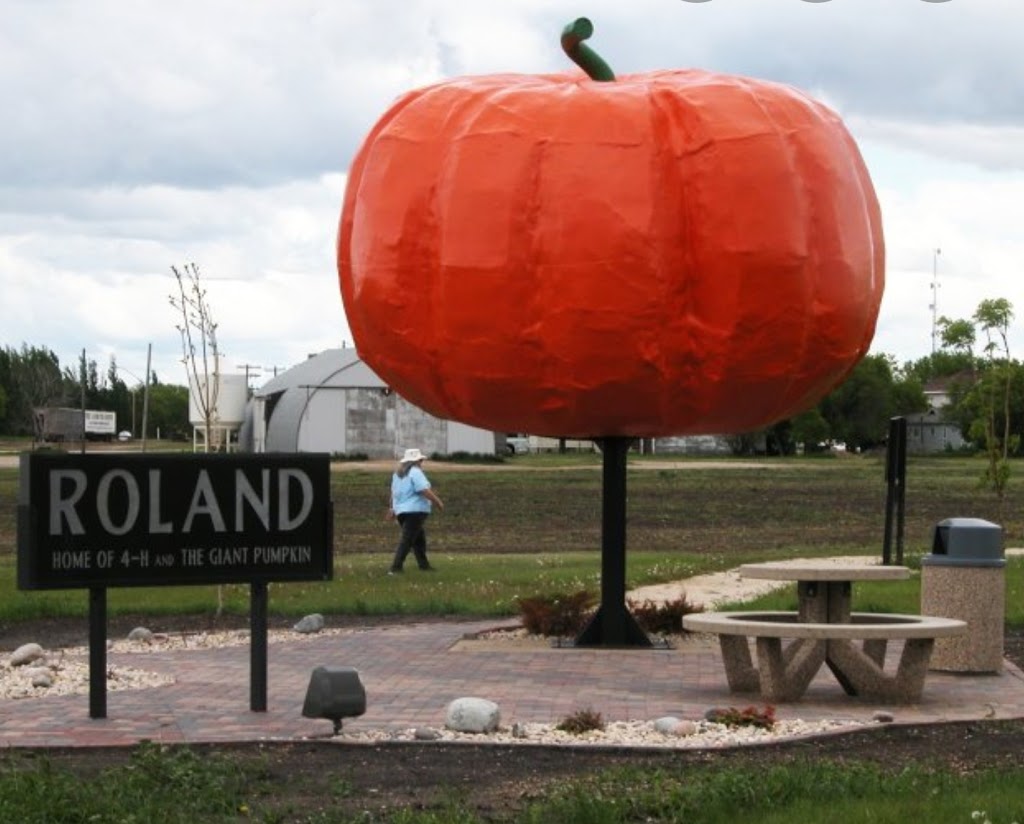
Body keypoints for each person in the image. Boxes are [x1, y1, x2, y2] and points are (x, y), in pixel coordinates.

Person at [387, 447, 444, 574]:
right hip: (415, 511)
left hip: (401, 511)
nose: (421, 463)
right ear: (416, 461)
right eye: (420, 460)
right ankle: (396, 567)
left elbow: (393, 493)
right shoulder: (416, 472)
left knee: (418, 539)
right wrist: (438, 502)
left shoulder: (397, 474)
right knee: (407, 540)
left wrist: (391, 508)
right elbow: (423, 489)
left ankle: (424, 565)